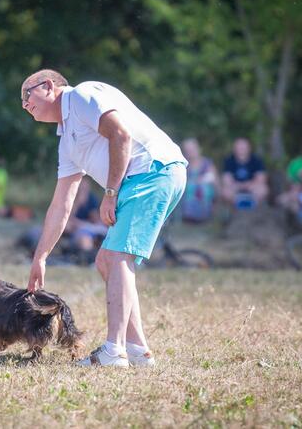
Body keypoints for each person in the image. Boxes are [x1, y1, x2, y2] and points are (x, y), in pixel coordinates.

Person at [20, 70, 186, 368]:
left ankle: (114, 350)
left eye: (26, 95)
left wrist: (109, 193)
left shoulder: (81, 96)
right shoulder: (67, 141)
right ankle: (137, 350)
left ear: (47, 86)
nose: (24, 104)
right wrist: (41, 257)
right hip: (144, 178)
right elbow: (61, 204)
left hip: (153, 171)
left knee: (116, 257)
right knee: (106, 260)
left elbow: (120, 134)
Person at [65, 178, 107, 264]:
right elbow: (67, 219)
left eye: (85, 188)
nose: (83, 191)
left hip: (89, 228)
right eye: (81, 188)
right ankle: (87, 260)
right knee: (85, 240)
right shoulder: (69, 198)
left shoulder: (92, 199)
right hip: (77, 230)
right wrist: (78, 203)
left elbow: (95, 220)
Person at [220, 138, 268, 209]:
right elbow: (226, 180)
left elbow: (261, 179)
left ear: (249, 148)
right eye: (239, 147)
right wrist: (238, 186)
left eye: (243, 147)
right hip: (235, 189)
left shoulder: (257, 160)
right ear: (234, 148)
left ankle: (252, 203)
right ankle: (238, 203)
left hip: (252, 188)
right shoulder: (228, 160)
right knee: (225, 191)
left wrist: (247, 185)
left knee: (263, 189)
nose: (241, 149)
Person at [180, 138, 217, 223]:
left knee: (204, 188)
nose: (190, 152)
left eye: (192, 149)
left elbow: (214, 179)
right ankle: (188, 215)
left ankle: (204, 215)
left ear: (198, 149)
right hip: (187, 194)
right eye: (188, 150)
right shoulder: (183, 165)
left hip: (205, 195)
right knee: (190, 187)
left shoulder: (207, 163)